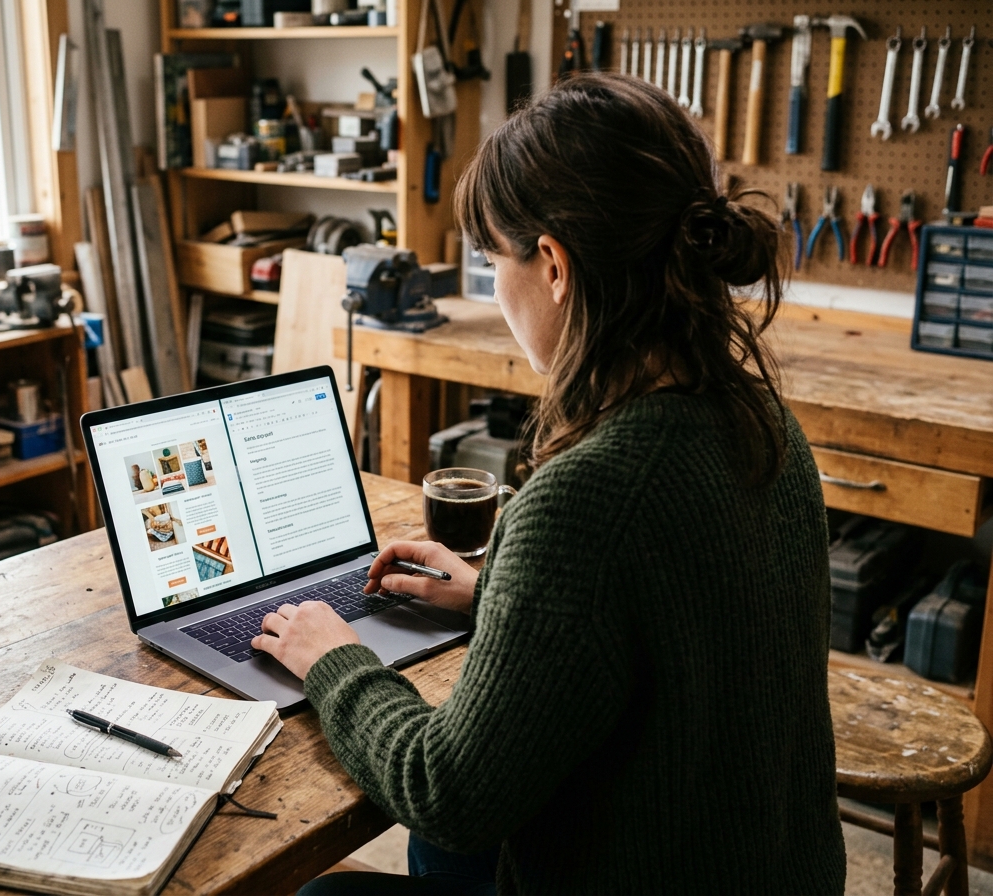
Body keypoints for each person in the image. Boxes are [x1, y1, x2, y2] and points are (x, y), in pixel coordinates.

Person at [251, 72, 846, 895]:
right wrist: (499, 596)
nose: (496, 287)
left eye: (493, 259)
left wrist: (335, 660)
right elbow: (665, 620)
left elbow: (446, 792)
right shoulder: (763, 420)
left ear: (555, 266)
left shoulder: (586, 498)